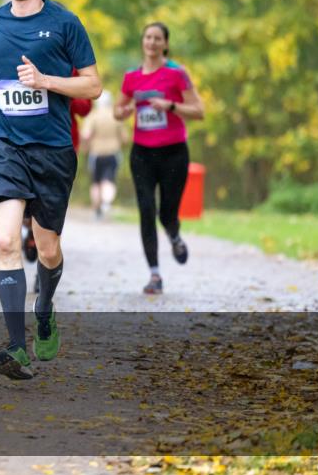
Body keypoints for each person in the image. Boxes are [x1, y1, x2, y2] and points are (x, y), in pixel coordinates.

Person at [0, 0, 101, 380]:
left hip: (52, 150)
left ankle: (44, 308)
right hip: (5, 145)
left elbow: (93, 86)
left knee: (47, 250)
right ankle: (14, 346)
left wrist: (46, 81)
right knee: (7, 242)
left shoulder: (65, 23)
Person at [114, 22, 204, 295]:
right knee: (145, 209)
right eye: (147, 37)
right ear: (142, 42)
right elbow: (117, 112)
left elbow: (199, 111)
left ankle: (174, 235)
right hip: (142, 153)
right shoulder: (131, 77)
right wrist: (126, 110)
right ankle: (154, 274)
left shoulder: (177, 74)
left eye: (157, 38)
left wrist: (172, 106)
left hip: (174, 152)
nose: (151, 43)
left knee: (167, 212)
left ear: (165, 43)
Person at [22, 68, 93, 291]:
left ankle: (40, 273)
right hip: (25, 142)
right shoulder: (24, 60)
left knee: (50, 211)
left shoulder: (71, 66)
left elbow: (85, 107)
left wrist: (58, 87)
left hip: (62, 144)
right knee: (24, 205)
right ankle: (29, 232)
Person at [81, 91, 128, 219]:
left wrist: (85, 148)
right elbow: (125, 138)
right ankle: (106, 203)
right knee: (109, 180)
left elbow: (86, 135)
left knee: (96, 182)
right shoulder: (115, 116)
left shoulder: (92, 116)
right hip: (113, 153)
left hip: (96, 154)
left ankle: (97, 209)